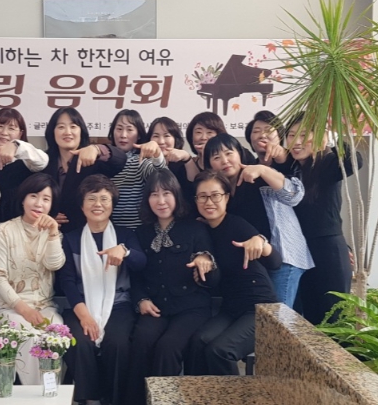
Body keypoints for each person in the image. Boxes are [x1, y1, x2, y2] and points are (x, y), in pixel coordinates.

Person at [126, 169, 219, 405]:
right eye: (154, 194)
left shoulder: (195, 229)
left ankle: (164, 401)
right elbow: (135, 276)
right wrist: (141, 300)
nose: (161, 201)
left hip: (191, 308)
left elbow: (212, 279)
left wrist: (206, 263)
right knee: (142, 340)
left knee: (168, 348)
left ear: (176, 195)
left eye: (166, 193)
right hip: (156, 306)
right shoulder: (141, 232)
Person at [57, 174, 147, 405]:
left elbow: (141, 263)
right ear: (82, 206)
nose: (98, 204)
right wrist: (84, 316)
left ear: (112, 205)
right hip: (81, 304)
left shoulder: (125, 235)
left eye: (104, 199)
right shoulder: (70, 239)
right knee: (79, 341)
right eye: (91, 198)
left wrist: (124, 251)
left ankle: (114, 399)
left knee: (117, 343)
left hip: (119, 305)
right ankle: (90, 399)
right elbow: (67, 281)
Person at [203, 133, 313, 308]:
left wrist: (263, 169)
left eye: (229, 153)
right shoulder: (221, 192)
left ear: (240, 154)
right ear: (209, 165)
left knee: (276, 317)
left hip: (283, 257)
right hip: (259, 263)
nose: (224, 160)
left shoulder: (258, 177)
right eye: (216, 157)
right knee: (263, 317)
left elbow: (293, 196)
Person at [188, 170, 281, 375]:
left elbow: (275, 262)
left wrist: (261, 242)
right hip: (231, 309)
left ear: (227, 197)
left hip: (260, 309)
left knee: (220, 351)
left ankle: (232, 393)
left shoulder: (237, 225)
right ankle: (197, 392)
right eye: (202, 196)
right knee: (198, 341)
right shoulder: (200, 231)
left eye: (215, 195)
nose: (209, 202)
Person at [281, 113, 363, 324]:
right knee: (310, 321)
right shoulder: (291, 169)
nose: (296, 142)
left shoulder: (328, 162)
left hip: (328, 251)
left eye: (303, 135)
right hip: (301, 252)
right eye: (291, 135)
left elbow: (355, 160)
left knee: (333, 319)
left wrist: (333, 137)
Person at [0, 173, 65, 385]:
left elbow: (55, 265)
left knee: (56, 336)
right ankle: (35, 395)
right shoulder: (4, 231)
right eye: (33, 196)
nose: (39, 203)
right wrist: (24, 310)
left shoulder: (54, 234)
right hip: (10, 307)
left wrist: (52, 232)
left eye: (46, 199)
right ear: (23, 199)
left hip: (44, 306)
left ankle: (50, 394)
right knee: (30, 337)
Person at [244, 112, 314, 307]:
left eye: (268, 130)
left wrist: (267, 169)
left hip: (285, 254)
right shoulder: (248, 168)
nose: (262, 135)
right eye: (256, 131)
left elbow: (292, 196)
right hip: (262, 257)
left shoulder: (292, 163)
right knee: (276, 316)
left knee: (278, 317)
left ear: (280, 136)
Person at [43, 107, 127, 233]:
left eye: (73, 126)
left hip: (89, 233)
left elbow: (120, 160)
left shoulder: (94, 159)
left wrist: (97, 149)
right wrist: (45, 215)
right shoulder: (43, 161)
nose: (67, 132)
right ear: (52, 131)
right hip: (48, 234)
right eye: (61, 127)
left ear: (81, 131)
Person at [0, 107, 48, 222]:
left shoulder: (27, 161)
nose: (4, 132)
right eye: (0, 126)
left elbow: (43, 160)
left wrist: (15, 146)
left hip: (22, 227)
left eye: (11, 128)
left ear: (20, 134)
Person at [108, 109, 167, 229]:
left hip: (136, 230)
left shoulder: (140, 161)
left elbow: (162, 176)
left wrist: (157, 154)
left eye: (129, 130)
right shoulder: (104, 161)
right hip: (108, 229)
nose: (123, 135)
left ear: (139, 134)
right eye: (119, 129)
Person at [147, 117, 194, 205]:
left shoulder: (183, 163)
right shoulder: (144, 164)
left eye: (166, 136)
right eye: (156, 136)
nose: (161, 141)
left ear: (175, 139)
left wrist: (187, 158)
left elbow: (195, 184)